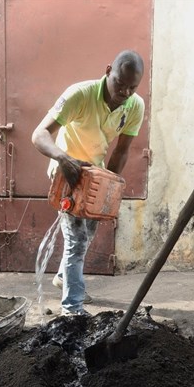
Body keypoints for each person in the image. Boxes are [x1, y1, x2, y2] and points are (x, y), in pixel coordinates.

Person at [32, 50, 145, 316]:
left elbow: (121, 150)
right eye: (120, 83)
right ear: (108, 70)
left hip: (96, 176)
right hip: (67, 174)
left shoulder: (135, 105)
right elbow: (39, 134)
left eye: (132, 87)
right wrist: (63, 159)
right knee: (77, 240)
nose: (125, 92)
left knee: (88, 234)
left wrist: (111, 186)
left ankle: (63, 277)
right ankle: (72, 308)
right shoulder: (79, 95)